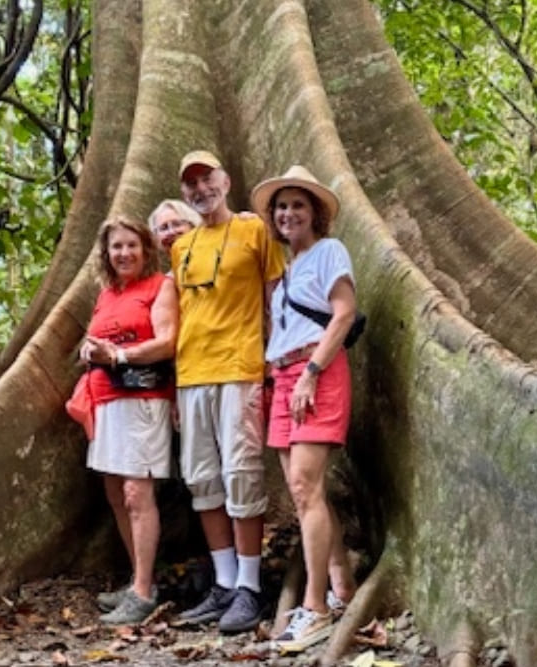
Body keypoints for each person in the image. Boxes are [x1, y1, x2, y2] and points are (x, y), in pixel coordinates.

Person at [170, 150, 286, 633]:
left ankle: (251, 588)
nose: (200, 189)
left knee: (241, 474)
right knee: (202, 480)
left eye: (207, 178)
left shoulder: (254, 230)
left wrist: (277, 360)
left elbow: (276, 295)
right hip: (191, 374)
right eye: (191, 184)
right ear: (184, 193)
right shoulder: (181, 247)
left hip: (239, 367)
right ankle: (223, 583)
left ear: (226, 179)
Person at [250, 165, 357, 652]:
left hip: (317, 374)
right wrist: (271, 382)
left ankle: (312, 609)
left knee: (304, 486)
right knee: (303, 493)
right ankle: (341, 586)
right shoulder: (287, 269)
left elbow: (344, 312)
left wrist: (311, 373)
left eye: (298, 204)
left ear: (315, 213)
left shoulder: (329, 252)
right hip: (284, 377)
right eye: (282, 206)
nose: (288, 213)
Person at [77, 216, 179, 625]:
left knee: (139, 492)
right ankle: (142, 579)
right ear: (107, 253)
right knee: (116, 492)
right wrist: (90, 350)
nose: (124, 254)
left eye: (131, 246)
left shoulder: (160, 287)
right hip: (106, 401)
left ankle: (142, 591)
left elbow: (167, 342)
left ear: (146, 249)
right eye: (116, 247)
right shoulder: (106, 294)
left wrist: (118, 355)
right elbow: (94, 338)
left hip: (144, 400)